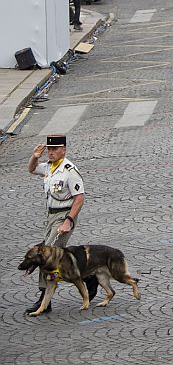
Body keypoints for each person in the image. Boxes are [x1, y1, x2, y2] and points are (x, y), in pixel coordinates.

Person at [25, 134, 92, 315]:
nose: (51, 152)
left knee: (47, 254)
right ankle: (90, 275)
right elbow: (31, 169)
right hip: (51, 216)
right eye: (49, 149)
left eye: (55, 149)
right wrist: (35, 156)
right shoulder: (49, 167)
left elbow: (79, 198)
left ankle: (44, 297)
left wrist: (69, 221)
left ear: (64, 150)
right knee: (53, 255)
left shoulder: (70, 170)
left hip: (64, 215)